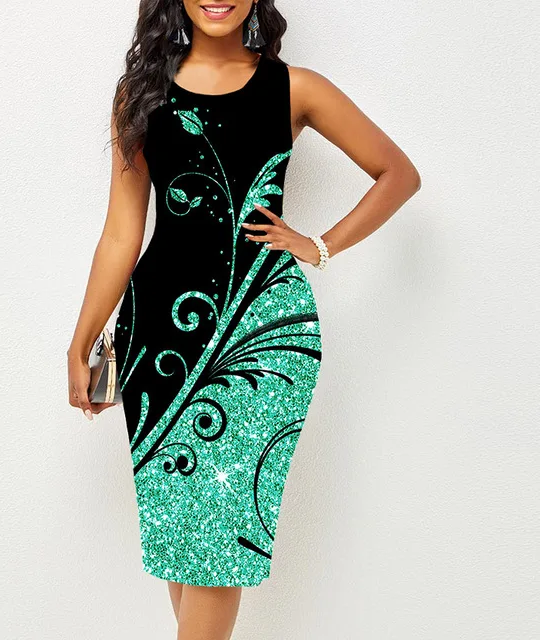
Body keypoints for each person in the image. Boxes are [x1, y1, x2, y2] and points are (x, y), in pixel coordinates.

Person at [67, 1, 421, 637]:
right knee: (182, 535)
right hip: (157, 340)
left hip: (264, 335)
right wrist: (82, 340)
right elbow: (122, 231)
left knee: (218, 542)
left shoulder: (296, 89)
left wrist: (319, 244)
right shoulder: (141, 92)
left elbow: (398, 174)